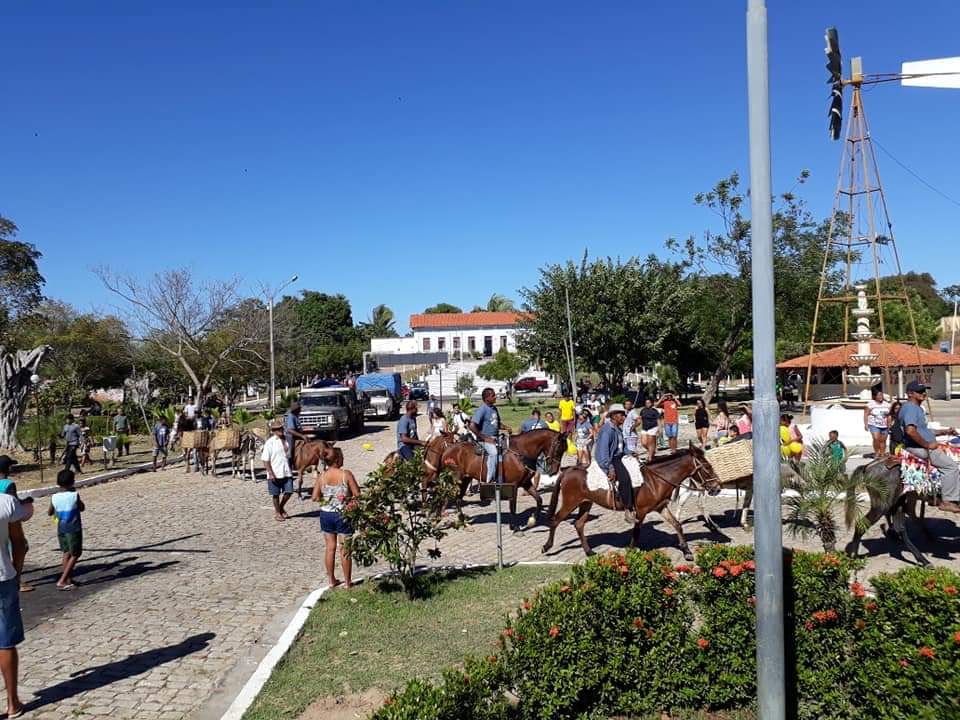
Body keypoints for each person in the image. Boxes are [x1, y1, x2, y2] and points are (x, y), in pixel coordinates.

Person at [899, 381, 960, 513]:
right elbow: (910, 430)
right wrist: (927, 444)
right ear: (910, 393)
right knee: (951, 467)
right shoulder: (911, 408)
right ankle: (948, 501)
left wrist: (944, 432)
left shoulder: (916, 408)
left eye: (924, 391)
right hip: (919, 448)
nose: (924, 394)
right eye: (920, 391)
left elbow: (922, 430)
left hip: (923, 445)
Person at [0, 485, 33, 719]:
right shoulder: (5, 502)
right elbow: (19, 543)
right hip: (3, 577)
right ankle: (12, 703)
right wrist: (17, 573)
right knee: (5, 642)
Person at [312, 447, 361, 589]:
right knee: (345, 549)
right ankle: (347, 582)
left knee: (330, 548)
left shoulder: (322, 477)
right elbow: (357, 494)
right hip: (343, 514)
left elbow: (315, 497)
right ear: (338, 459)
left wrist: (327, 499)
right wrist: (349, 502)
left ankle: (331, 580)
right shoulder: (346, 475)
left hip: (326, 514)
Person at [594, 403, 633, 524]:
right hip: (612, 459)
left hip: (621, 456)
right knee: (625, 479)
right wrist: (609, 468)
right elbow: (603, 452)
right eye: (621, 415)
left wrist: (630, 453)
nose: (623, 417)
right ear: (614, 416)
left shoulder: (618, 429)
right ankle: (628, 508)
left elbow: (622, 447)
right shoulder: (607, 430)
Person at [48, 469, 84, 590]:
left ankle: (68, 579)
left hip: (61, 528)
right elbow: (82, 507)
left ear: (57, 483)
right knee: (76, 554)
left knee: (66, 552)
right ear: (72, 482)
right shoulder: (74, 495)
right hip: (74, 528)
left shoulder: (54, 497)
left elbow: (50, 512)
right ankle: (62, 580)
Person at [0, 457, 31, 594]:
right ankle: (17, 580)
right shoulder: (9, 484)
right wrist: (27, 501)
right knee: (21, 546)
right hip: (10, 521)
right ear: (7, 468)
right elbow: (14, 501)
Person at [470, 388, 508, 484]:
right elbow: (472, 426)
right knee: (493, 453)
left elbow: (496, 423)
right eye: (493, 395)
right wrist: (485, 438)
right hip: (484, 440)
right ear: (487, 398)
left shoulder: (494, 408)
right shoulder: (482, 409)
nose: (495, 397)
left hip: (496, 438)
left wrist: (506, 427)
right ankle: (490, 480)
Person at [261, 420, 295, 521]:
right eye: (277, 429)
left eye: (280, 428)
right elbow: (265, 459)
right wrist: (270, 473)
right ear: (273, 431)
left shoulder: (288, 439)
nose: (279, 430)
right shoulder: (270, 443)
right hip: (275, 472)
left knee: (289, 491)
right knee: (275, 494)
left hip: (286, 471)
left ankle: (280, 508)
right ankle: (277, 512)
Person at [863, 388, 891, 458]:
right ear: (875, 396)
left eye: (881, 395)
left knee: (883, 440)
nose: (881, 397)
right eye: (879, 395)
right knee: (876, 438)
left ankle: (882, 453)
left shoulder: (887, 404)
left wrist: (889, 424)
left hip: (885, 425)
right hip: (874, 424)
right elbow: (866, 414)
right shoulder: (870, 405)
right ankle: (877, 452)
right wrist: (866, 425)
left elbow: (890, 415)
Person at [284, 402, 310, 470]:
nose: (300, 410)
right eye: (299, 408)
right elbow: (290, 430)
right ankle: (289, 466)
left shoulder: (296, 416)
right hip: (290, 436)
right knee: (290, 450)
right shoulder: (291, 417)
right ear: (296, 409)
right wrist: (301, 436)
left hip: (296, 435)